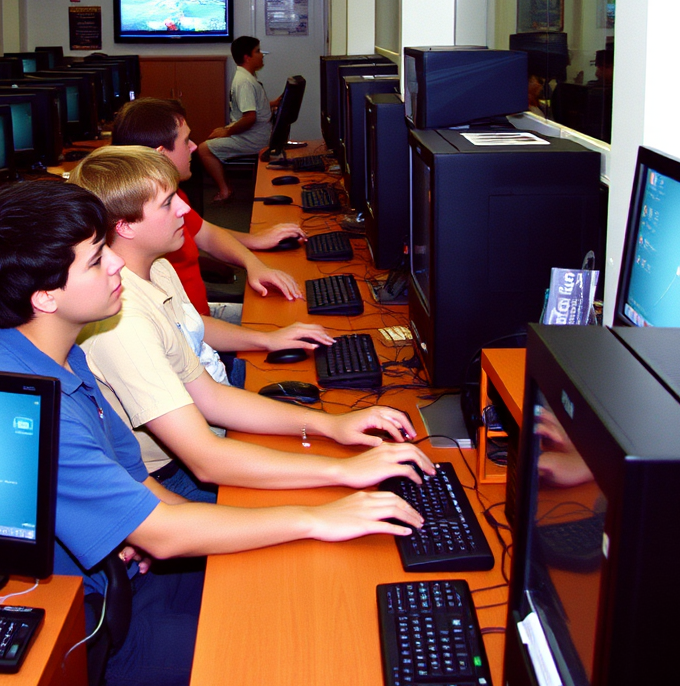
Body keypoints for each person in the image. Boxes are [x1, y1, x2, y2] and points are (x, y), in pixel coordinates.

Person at [0, 178, 429, 686]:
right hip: (90, 632)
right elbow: (162, 533)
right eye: (94, 260)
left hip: (127, 575)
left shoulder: (57, 350)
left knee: (303, 585)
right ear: (45, 297)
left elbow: (143, 487)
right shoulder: (26, 404)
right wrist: (317, 516)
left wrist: (306, 512)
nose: (115, 266)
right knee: (310, 652)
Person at [70, 145, 433, 503]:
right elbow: (206, 462)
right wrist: (341, 470)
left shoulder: (157, 267)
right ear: (124, 227)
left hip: (204, 434)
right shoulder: (124, 322)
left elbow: (209, 395)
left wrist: (331, 426)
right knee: (330, 504)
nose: (185, 208)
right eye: (168, 203)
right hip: (172, 477)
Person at [111, 95, 306, 320]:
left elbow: (205, 232)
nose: (194, 147)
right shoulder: (148, 222)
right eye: (186, 141)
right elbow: (180, 330)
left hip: (200, 321)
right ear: (161, 154)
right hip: (192, 335)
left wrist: (254, 253)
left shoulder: (170, 197)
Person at [197, 35, 278, 202]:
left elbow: (250, 118)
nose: (262, 55)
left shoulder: (245, 80)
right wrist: (227, 131)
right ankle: (227, 187)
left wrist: (226, 132)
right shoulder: (245, 81)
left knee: (203, 149)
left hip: (255, 138)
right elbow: (250, 114)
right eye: (258, 51)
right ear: (247, 57)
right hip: (258, 133)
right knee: (209, 143)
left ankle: (225, 190)